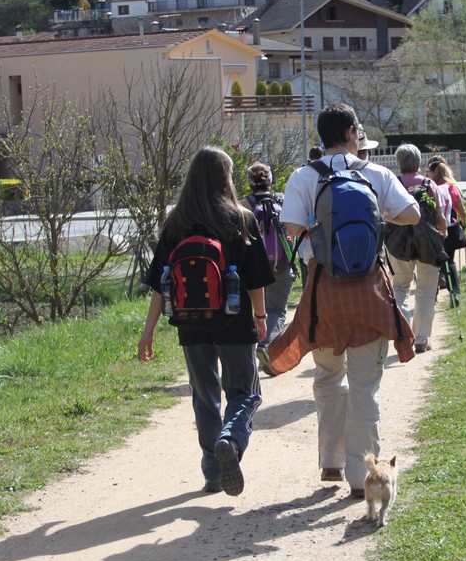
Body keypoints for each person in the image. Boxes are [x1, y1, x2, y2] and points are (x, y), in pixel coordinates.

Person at [271, 103, 421, 500]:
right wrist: (375, 219)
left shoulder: (304, 176)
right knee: (365, 385)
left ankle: (331, 461)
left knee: (328, 376)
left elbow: (291, 227)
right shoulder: (375, 173)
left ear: (321, 137)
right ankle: (360, 475)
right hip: (371, 292)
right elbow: (412, 214)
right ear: (353, 133)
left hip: (324, 292)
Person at [138, 146, 274, 496]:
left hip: (190, 324)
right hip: (235, 322)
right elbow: (256, 278)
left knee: (204, 397)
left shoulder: (176, 223)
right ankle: (231, 439)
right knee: (245, 392)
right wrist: (260, 316)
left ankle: (213, 471)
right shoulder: (241, 219)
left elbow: (159, 284)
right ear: (225, 177)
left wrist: (147, 332)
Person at [388, 143, 449, 354]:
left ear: (398, 162)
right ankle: (422, 339)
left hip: (398, 244)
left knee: (400, 288)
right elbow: (441, 219)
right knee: (426, 290)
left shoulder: (393, 185)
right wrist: (442, 235)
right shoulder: (429, 185)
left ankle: (404, 335)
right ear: (419, 161)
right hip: (427, 244)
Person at [242, 162, 296, 377]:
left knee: (252, 312)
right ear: (270, 182)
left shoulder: (242, 207)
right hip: (280, 265)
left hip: (252, 268)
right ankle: (265, 345)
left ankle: (247, 356)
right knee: (277, 310)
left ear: (250, 183)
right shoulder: (282, 202)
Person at [428, 157, 466, 299]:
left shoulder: (429, 187)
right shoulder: (451, 187)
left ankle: (433, 296)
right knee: (450, 261)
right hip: (450, 228)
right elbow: (461, 210)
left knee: (434, 264)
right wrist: (464, 222)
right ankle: (455, 293)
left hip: (433, 230)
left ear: (433, 172)